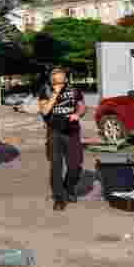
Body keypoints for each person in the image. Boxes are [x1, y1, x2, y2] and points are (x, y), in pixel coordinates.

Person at [38, 67, 85, 210]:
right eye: (56, 81)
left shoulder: (74, 90)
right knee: (56, 166)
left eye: (62, 80)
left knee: (75, 165)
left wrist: (78, 114)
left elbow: (82, 106)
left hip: (72, 131)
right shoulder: (45, 91)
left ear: (65, 79)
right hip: (54, 132)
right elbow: (45, 110)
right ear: (52, 81)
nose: (60, 83)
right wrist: (56, 92)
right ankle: (59, 198)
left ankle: (68, 188)